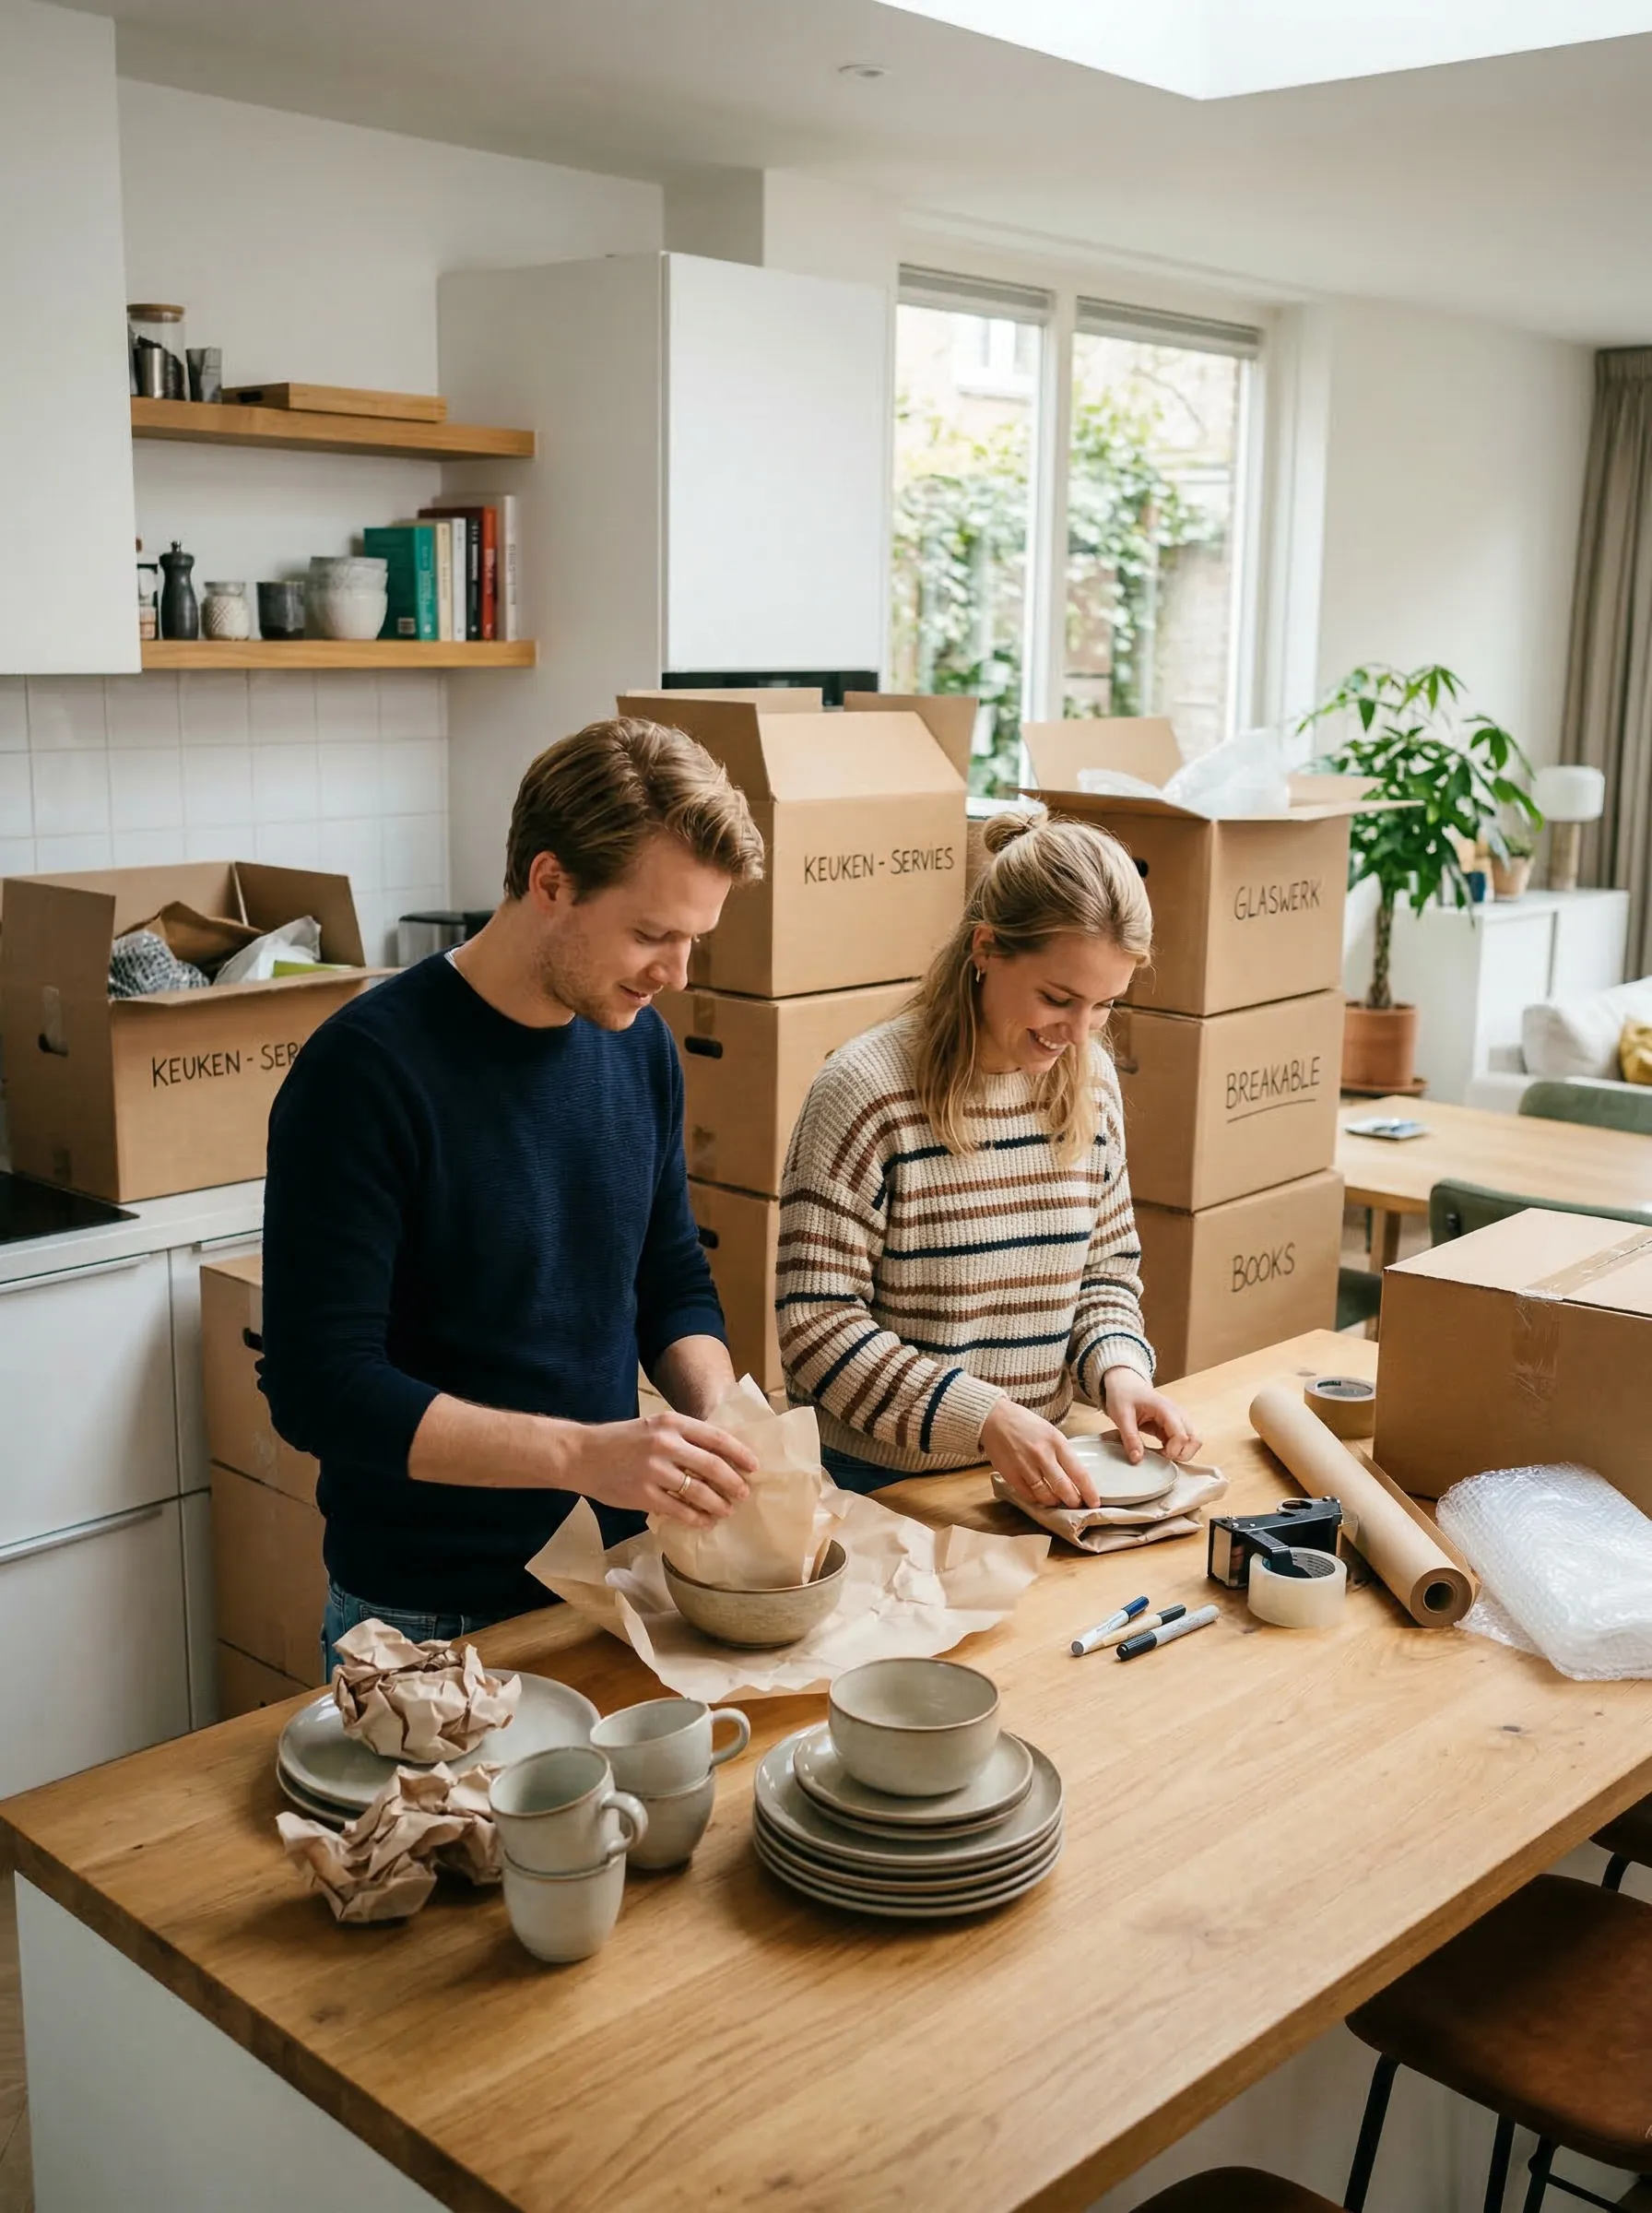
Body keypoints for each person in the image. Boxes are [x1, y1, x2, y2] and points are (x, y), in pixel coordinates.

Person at [259, 716, 767, 1665]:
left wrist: (716, 1416)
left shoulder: (639, 1046)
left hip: (608, 1581)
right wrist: (586, 1454)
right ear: (550, 883)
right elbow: (318, 1389)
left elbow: (667, 1279)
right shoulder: (365, 1072)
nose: (676, 974)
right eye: (652, 933)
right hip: (423, 1621)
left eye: (696, 938)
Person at [775, 808, 1200, 1508]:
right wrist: (984, 1418)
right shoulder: (865, 1091)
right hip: (881, 1488)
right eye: (1058, 999)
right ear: (985, 948)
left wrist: (1120, 1371)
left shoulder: (1090, 1081)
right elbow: (816, 1327)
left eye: (1104, 1006)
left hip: (1048, 1478)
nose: (1078, 1032)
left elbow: (1105, 1275)